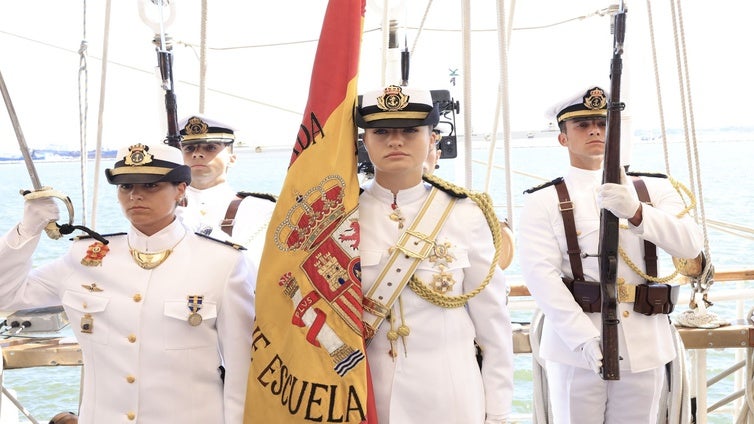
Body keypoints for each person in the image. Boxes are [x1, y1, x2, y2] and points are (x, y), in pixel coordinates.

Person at [0, 142, 256, 423]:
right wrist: (27, 231)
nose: (136, 196)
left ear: (181, 189)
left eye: (151, 186)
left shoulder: (222, 263)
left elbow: (241, 372)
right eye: (126, 187)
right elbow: (7, 296)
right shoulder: (84, 257)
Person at [518, 86, 703, 423]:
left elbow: (690, 245)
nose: (595, 131)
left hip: (644, 343)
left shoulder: (654, 188)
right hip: (577, 347)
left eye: (603, 123)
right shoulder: (543, 200)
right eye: (583, 124)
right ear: (563, 138)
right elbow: (539, 276)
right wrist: (583, 339)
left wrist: (637, 212)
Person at [354, 84, 514, 423]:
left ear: (432, 139)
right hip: (364, 396)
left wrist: (497, 411)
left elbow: (493, 322)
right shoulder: (341, 215)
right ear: (364, 141)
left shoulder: (467, 212)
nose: (395, 141)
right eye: (380, 131)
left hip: (449, 396)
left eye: (410, 130)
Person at [177, 114, 276, 262]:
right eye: (189, 148)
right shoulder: (161, 209)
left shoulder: (261, 210)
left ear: (232, 158)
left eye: (210, 147)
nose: (197, 154)